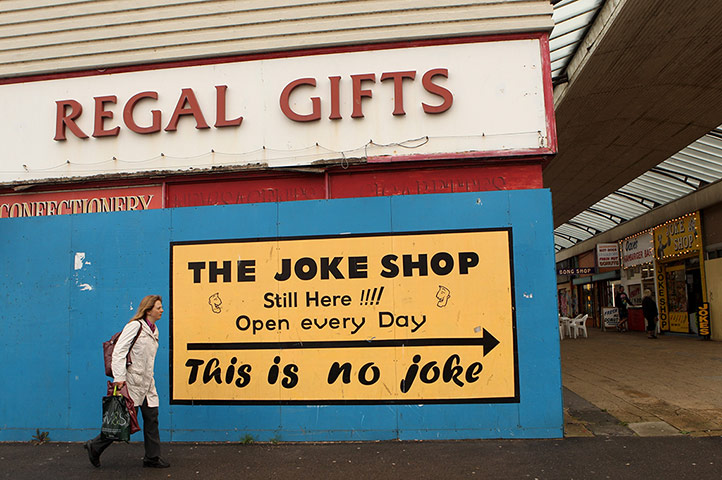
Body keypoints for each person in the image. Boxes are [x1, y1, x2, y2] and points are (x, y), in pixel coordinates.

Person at [85, 295, 170, 469]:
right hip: (130, 381)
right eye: (158, 307)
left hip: (147, 383)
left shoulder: (154, 330)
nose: (162, 310)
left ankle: (152, 458)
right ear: (148, 310)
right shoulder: (135, 326)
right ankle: (95, 446)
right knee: (122, 420)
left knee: (152, 418)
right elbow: (118, 352)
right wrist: (119, 378)